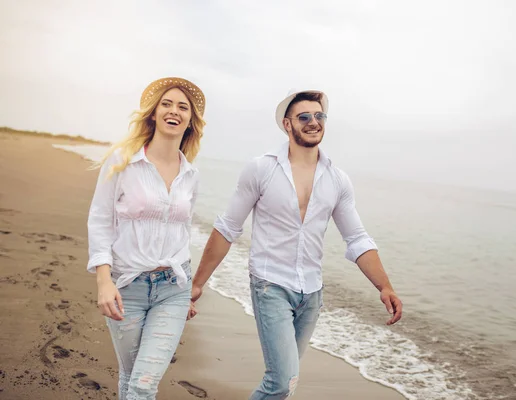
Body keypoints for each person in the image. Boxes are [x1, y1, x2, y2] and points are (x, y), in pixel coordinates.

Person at [189, 89, 402, 399]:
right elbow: (227, 228)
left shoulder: (337, 179)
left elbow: (356, 238)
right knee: (282, 382)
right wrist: (198, 283)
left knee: (284, 382)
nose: (313, 122)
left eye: (319, 116)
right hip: (270, 286)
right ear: (287, 125)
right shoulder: (261, 169)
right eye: (304, 117)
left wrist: (385, 286)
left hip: (311, 294)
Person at [87, 77, 206, 399]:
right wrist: (103, 282)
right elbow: (100, 220)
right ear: (153, 114)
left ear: (191, 120)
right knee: (131, 375)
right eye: (166, 104)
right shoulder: (123, 162)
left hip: (173, 289)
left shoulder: (190, 174)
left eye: (183, 107)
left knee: (143, 383)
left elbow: (182, 230)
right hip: (127, 286)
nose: (174, 111)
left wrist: (188, 286)